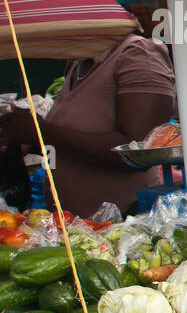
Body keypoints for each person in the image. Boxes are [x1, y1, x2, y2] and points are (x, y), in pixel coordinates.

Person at [0, 33, 176, 217]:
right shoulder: (80, 63)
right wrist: (28, 142)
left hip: (122, 223)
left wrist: (43, 132)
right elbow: (73, 141)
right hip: (75, 225)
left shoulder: (139, 55)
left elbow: (139, 152)